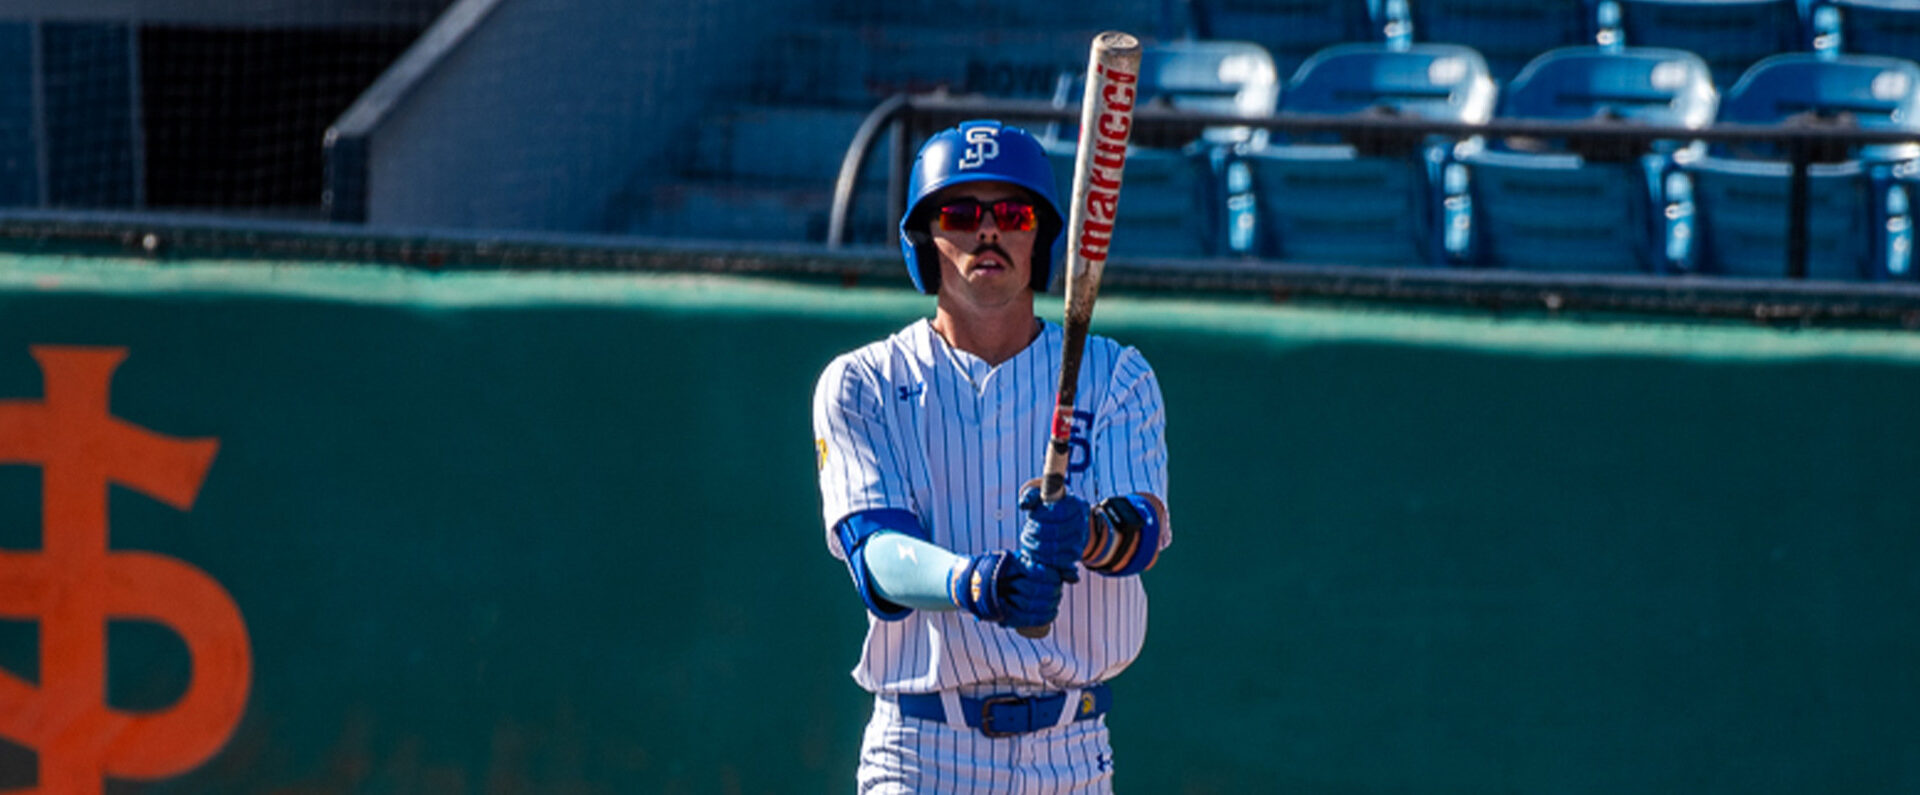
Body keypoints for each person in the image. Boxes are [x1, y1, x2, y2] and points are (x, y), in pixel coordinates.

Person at [811, 119, 1171, 793]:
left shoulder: (1115, 375)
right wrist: (976, 583)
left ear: (1039, 236)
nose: (987, 231)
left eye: (1011, 212)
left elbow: (1141, 532)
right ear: (925, 237)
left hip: (1070, 748)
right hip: (921, 749)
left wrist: (1088, 531)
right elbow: (877, 557)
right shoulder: (863, 382)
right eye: (960, 212)